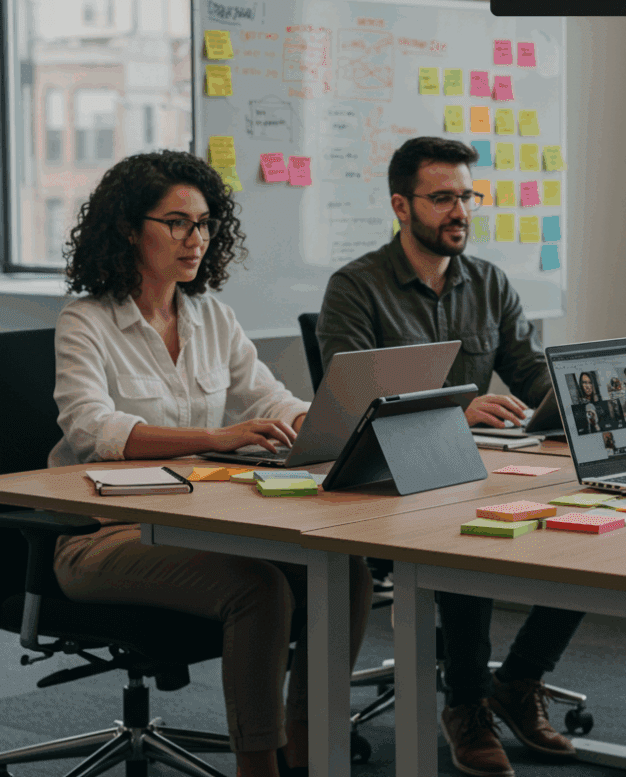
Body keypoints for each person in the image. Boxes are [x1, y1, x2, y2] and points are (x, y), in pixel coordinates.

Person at [49, 151, 374, 777]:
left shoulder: (211, 317)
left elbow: (271, 398)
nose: (195, 238)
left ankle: (310, 748)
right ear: (126, 228)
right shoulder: (85, 321)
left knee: (347, 570)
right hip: (101, 536)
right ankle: (259, 765)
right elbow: (92, 431)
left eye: (204, 223)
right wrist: (217, 436)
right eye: (177, 222)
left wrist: (326, 421)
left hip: (201, 522)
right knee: (258, 588)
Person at [316, 137, 583, 776]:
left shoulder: (488, 282)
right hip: (379, 487)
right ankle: (464, 704)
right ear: (401, 207)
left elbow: (530, 372)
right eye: (442, 198)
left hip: (473, 468)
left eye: (466, 195)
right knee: (465, 531)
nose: (459, 210)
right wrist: (452, 410)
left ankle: (518, 681)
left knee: (590, 519)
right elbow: (351, 401)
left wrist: (577, 404)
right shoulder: (356, 288)